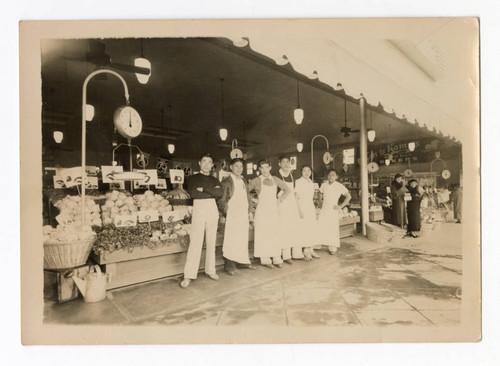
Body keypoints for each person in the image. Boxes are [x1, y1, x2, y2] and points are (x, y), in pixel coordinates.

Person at [180, 153, 223, 288]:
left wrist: (204, 189)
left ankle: (211, 270)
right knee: (196, 241)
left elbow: (219, 194)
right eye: (204, 161)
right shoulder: (191, 178)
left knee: (211, 240)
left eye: (209, 162)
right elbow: (193, 193)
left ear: (212, 165)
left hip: (212, 208)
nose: (206, 164)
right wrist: (211, 191)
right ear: (199, 163)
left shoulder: (215, 179)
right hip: (199, 207)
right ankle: (189, 274)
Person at [248, 159, 291, 269]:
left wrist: (279, 200)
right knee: (263, 234)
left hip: (273, 211)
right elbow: (245, 192)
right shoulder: (256, 180)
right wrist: (254, 200)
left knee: (274, 233)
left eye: (266, 167)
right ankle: (265, 259)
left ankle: (276, 257)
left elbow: (287, 189)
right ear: (259, 169)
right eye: (262, 168)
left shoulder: (275, 179)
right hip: (262, 211)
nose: (264, 170)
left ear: (270, 168)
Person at [218, 158, 256, 275]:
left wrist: (250, 211)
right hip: (232, 214)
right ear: (231, 167)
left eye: (241, 166)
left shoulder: (243, 181)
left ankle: (243, 261)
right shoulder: (226, 182)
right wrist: (227, 213)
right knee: (231, 239)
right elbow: (222, 200)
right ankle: (229, 266)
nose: (239, 169)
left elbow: (248, 197)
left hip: (243, 214)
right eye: (236, 166)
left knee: (242, 239)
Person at [277, 156, 305, 263]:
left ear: (290, 163)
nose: (285, 164)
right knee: (284, 229)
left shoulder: (293, 175)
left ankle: (297, 253)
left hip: (292, 204)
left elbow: (295, 192)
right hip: (282, 204)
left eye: (287, 162)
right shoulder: (277, 175)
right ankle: (286, 255)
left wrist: (299, 208)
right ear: (279, 164)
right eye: (283, 162)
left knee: (295, 228)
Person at [317, 169, 352, 255]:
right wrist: (320, 202)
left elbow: (348, 196)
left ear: (336, 176)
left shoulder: (339, 186)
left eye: (333, 175)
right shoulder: (324, 184)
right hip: (324, 209)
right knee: (321, 226)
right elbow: (320, 193)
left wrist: (340, 206)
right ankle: (317, 245)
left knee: (332, 228)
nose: (330, 176)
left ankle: (332, 248)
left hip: (333, 209)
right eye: (329, 175)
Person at [295, 165, 321, 261]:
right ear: (301, 172)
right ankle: (306, 250)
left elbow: (312, 197)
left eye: (308, 171)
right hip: (302, 207)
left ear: (311, 172)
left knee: (312, 228)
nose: (306, 173)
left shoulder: (311, 182)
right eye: (304, 170)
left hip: (310, 207)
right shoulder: (298, 181)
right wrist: (299, 210)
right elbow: (296, 197)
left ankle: (311, 249)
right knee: (304, 228)